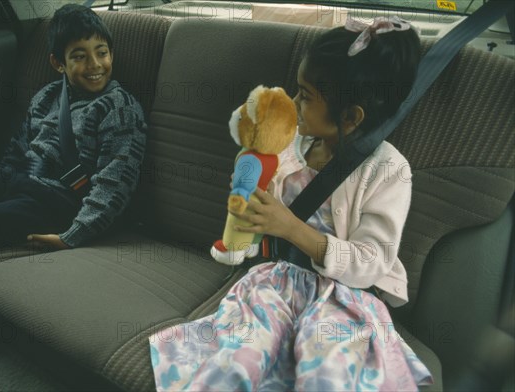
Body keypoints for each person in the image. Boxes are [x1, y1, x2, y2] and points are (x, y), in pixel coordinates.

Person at [149, 16, 433, 390]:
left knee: (327, 371)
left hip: (342, 297)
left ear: (349, 118)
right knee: (238, 360)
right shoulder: (290, 145)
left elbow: (372, 261)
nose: (294, 102)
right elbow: (264, 211)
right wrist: (251, 200)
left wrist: (290, 227)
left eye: (305, 95)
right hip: (275, 282)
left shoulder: (388, 170)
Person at [0, 4, 146, 250]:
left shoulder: (119, 108)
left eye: (102, 53)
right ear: (59, 63)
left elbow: (115, 182)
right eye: (79, 56)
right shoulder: (47, 96)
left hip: (56, 201)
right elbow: (19, 148)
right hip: (14, 183)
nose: (95, 64)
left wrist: (73, 235)